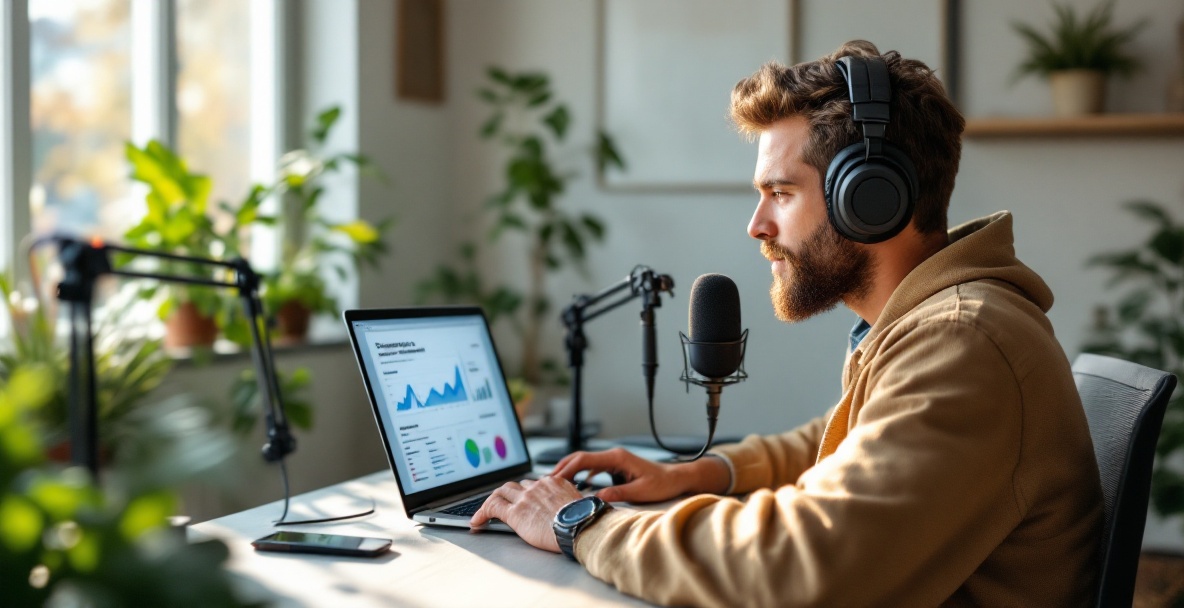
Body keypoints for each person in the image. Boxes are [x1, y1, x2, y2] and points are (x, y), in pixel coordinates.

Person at [470, 40, 1102, 607]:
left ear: (872, 198)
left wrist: (580, 521)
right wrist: (699, 472)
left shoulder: (965, 340)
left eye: (781, 192)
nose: (757, 226)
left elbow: (800, 568)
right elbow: (839, 441)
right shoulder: (940, 323)